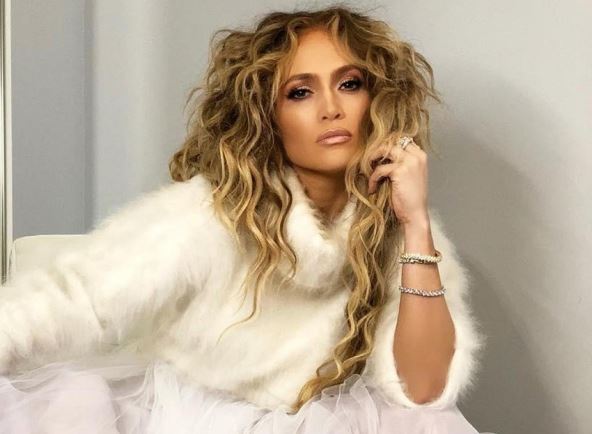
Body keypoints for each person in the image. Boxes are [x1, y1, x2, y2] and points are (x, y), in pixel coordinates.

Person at [0, 5, 491, 434]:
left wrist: (416, 225)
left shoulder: (397, 229)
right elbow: (75, 299)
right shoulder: (208, 216)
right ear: (266, 116)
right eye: (300, 92)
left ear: (377, 100)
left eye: (349, 84)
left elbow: (423, 391)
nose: (331, 109)